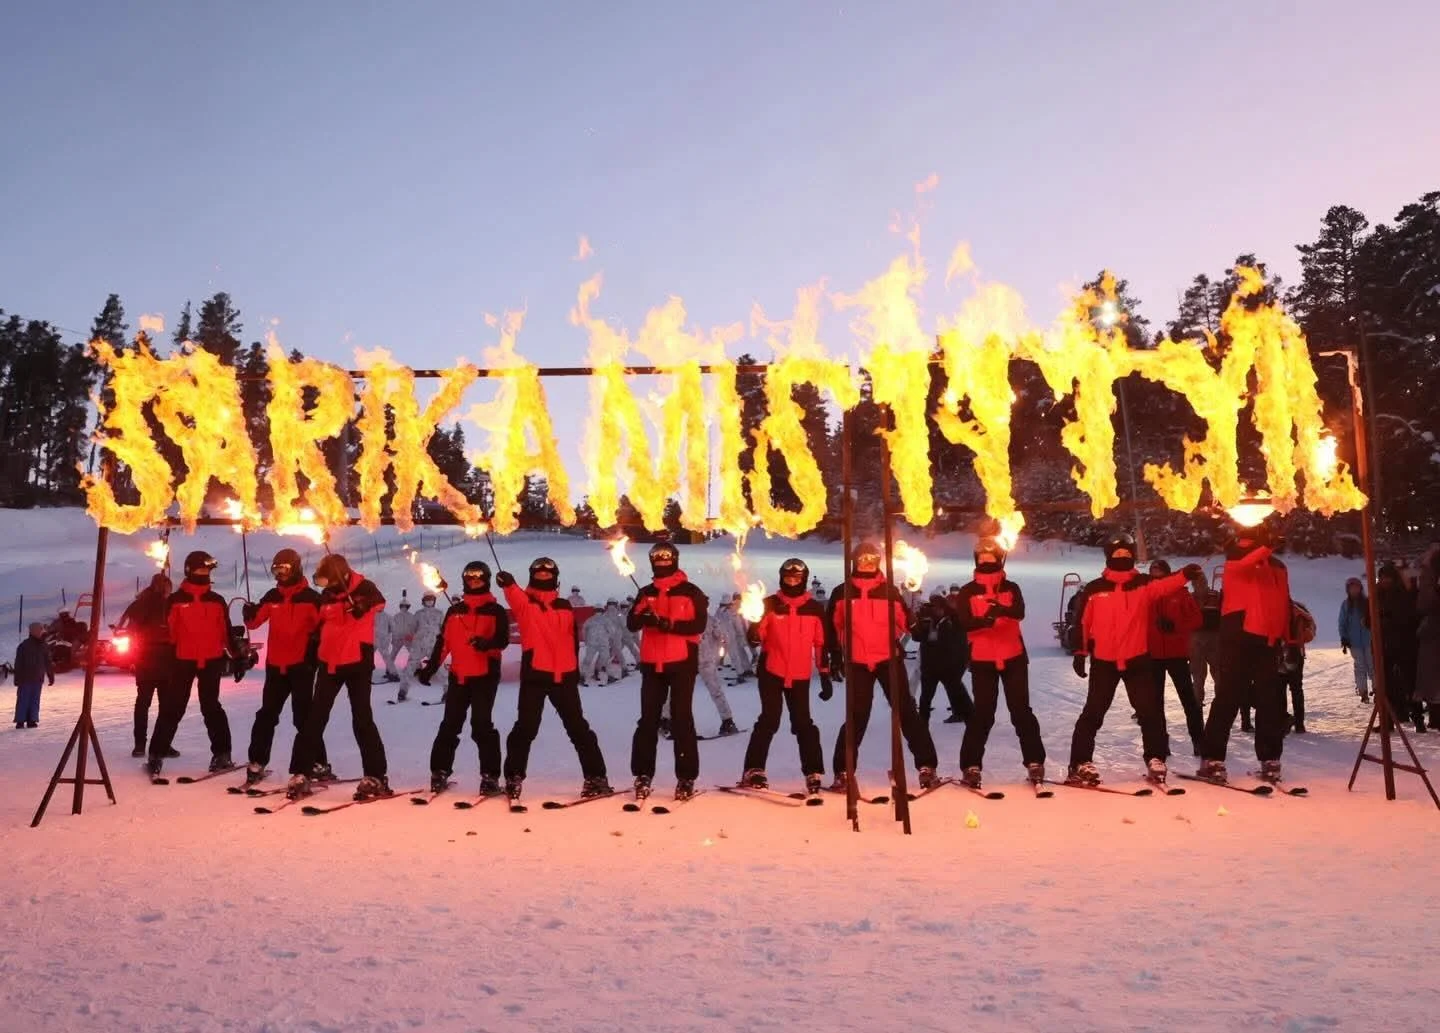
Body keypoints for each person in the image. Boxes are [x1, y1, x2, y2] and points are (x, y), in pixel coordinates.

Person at [1068, 534, 1199, 786]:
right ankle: (1079, 762)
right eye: (1117, 556)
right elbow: (1082, 623)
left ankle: (1156, 758)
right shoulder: (1094, 589)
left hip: (1137, 659)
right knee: (1094, 713)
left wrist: (1185, 574)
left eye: (1126, 555)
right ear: (1108, 557)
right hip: (1105, 661)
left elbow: (1166, 585)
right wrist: (1080, 652)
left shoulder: (1143, 584)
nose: (1122, 559)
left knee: (1149, 712)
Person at [825, 541, 940, 791]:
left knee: (906, 711)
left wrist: (916, 623)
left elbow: (907, 624)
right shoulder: (842, 592)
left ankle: (926, 765)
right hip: (857, 661)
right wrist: (834, 657)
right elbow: (832, 628)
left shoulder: (890, 592)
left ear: (878, 562)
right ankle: (843, 771)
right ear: (855, 562)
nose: (867, 564)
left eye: (872, 560)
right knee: (857, 716)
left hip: (887, 658)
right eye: (862, 559)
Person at [496, 557, 611, 801]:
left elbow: (571, 638)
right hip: (536, 674)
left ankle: (596, 777)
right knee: (525, 728)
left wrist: (575, 667)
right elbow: (514, 594)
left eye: (549, 574)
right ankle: (514, 778)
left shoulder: (564, 605)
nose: (544, 576)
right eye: (539, 573)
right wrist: (508, 583)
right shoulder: (525, 603)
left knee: (578, 728)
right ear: (532, 576)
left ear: (556, 577)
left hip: (565, 676)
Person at [1197, 523, 1293, 784]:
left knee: (1270, 701)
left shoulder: (1277, 566)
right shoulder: (1236, 559)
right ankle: (1212, 757)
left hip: (1268, 639)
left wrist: (1289, 638)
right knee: (1228, 697)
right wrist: (1267, 546)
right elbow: (1244, 563)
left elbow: (1283, 600)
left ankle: (1270, 757)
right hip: (1238, 636)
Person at [288, 554, 390, 800]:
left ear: (341, 576)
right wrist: (312, 649)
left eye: (330, 581)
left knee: (362, 718)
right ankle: (301, 772)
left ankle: (375, 775)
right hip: (330, 663)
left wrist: (361, 605)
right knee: (314, 718)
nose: (327, 587)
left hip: (356, 662)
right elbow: (323, 624)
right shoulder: (328, 595)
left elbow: (379, 602)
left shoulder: (364, 587)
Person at [950, 537, 1045, 789]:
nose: (986, 562)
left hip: (1013, 656)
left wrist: (1000, 610)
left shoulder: (1010, 587)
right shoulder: (969, 591)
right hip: (983, 660)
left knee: (1021, 711)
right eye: (982, 558)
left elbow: (1019, 612)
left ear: (1000, 559)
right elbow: (964, 622)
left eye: (991, 558)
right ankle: (971, 765)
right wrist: (985, 621)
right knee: (982, 714)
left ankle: (1035, 761)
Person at [419, 561, 511, 796]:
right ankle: (439, 772)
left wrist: (486, 644)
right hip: (459, 676)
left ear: (487, 579)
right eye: (469, 576)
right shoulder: (454, 610)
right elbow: (444, 643)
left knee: (481, 726)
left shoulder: (495, 610)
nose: (474, 579)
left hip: (485, 675)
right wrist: (430, 668)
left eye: (479, 576)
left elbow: (502, 640)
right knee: (450, 725)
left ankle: (490, 776)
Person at [739, 558, 829, 794]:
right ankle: (754, 769)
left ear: (804, 580)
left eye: (797, 579)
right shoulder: (770, 604)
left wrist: (825, 673)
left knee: (803, 723)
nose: (792, 582)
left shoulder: (814, 609)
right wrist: (755, 634)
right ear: (781, 578)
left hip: (799, 674)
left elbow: (821, 643)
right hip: (772, 670)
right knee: (770, 719)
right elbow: (755, 635)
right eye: (788, 578)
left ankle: (813, 771)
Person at [627, 542, 709, 802]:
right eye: (657, 560)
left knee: (681, 718)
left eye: (666, 559)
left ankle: (686, 777)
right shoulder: (646, 592)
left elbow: (698, 625)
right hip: (652, 663)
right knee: (647, 720)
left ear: (674, 560)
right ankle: (642, 774)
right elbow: (631, 622)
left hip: (681, 662)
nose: (662, 564)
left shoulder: (691, 592)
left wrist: (666, 623)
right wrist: (644, 618)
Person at [240, 549, 326, 787]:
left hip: (302, 666)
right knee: (266, 715)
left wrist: (315, 650)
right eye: (276, 570)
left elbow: (325, 626)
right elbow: (255, 622)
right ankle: (257, 761)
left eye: (284, 570)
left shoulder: (311, 598)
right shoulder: (273, 597)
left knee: (304, 718)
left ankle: (318, 762)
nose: (280, 575)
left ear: (295, 568)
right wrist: (249, 614)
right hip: (276, 667)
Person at [148, 551, 235, 777]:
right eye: (200, 570)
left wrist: (238, 657)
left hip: (211, 659)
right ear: (189, 571)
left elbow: (226, 631)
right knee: (173, 706)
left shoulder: (216, 601)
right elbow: (168, 634)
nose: (204, 574)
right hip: (183, 660)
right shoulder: (175, 601)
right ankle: (156, 753)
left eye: (207, 571)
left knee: (211, 706)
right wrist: (165, 656)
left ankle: (222, 753)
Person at [1147, 559, 1206, 755]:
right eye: (1152, 570)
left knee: (1188, 699)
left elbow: (1196, 619)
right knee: (1155, 703)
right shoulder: (1146, 593)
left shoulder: (1179, 593)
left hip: (1176, 654)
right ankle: (1160, 744)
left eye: (1158, 570)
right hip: (1153, 655)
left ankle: (1199, 740)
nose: (1155, 573)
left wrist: (1176, 626)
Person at [116, 573, 178, 758]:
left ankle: (140, 745)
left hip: (145, 660)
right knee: (165, 705)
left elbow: (126, 627)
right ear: (164, 587)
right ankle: (162, 744)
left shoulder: (139, 604)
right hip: (162, 659)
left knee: (143, 703)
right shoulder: (165, 605)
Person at [661, 614, 740, 737]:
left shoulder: (690, 617)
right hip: (694, 660)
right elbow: (723, 637)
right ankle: (727, 721)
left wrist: (718, 652)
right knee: (712, 691)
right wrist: (718, 652)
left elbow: (723, 637)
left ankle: (666, 720)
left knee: (677, 691)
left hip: (693, 660)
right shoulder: (709, 619)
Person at [910, 591, 972, 724]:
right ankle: (922, 727)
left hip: (948, 667)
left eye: (938, 607)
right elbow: (917, 637)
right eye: (933, 606)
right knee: (925, 699)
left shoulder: (953, 620)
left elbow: (959, 641)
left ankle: (971, 720)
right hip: (929, 667)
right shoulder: (926, 619)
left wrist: (963, 661)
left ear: (944, 608)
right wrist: (916, 624)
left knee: (958, 694)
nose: (935, 610)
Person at [1414, 544, 1440, 731]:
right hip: (1433, 632)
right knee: (1432, 678)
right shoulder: (1428, 576)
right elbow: (1424, 603)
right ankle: (1436, 717)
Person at [1188, 570, 1222, 710]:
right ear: (1193, 584)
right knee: (1198, 676)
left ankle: (1220, 702)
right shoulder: (1189, 598)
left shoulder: (1216, 596)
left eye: (1202, 581)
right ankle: (1197, 703)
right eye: (1197, 582)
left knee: (1218, 673)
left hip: (1214, 638)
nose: (1200, 585)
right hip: (1195, 640)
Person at [1338, 576, 1373, 703]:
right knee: (1359, 666)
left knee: (1372, 665)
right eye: (1352, 588)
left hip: (1369, 640)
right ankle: (1363, 690)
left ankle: (1377, 688)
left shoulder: (1368, 602)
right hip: (1354, 642)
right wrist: (1344, 638)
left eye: (1356, 587)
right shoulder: (1346, 605)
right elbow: (1342, 623)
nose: (1354, 590)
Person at [13, 622, 53, 728]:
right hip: (25, 678)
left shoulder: (43, 645)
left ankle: (32, 720)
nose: (41, 633)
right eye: (40, 631)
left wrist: (50, 675)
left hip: (37, 678)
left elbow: (47, 661)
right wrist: (17, 678)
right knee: (23, 699)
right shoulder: (24, 646)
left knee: (34, 700)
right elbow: (18, 663)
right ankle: (20, 721)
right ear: (34, 631)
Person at [579, 600, 620, 686]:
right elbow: (612, 631)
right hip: (598, 643)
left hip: (596, 643)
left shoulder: (592, 620)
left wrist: (587, 639)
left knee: (592, 660)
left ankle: (585, 676)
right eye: (597, 610)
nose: (598, 612)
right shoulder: (601, 620)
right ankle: (585, 676)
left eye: (599, 610)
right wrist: (607, 637)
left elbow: (584, 630)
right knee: (602, 660)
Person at [409, 591, 444, 689]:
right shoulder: (418, 614)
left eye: (431, 599)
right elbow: (413, 628)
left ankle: (447, 691)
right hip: (420, 644)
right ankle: (402, 691)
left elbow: (443, 628)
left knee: (440, 669)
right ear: (423, 601)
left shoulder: (439, 613)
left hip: (434, 645)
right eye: (427, 599)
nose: (430, 601)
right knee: (410, 666)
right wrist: (414, 639)